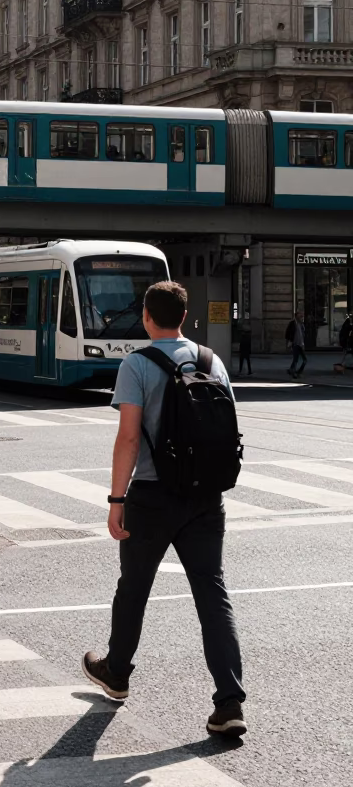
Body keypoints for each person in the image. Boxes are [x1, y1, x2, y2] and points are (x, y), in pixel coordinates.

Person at [82, 280, 247, 739]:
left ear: (148, 318)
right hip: (205, 498)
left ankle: (116, 673)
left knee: (134, 587)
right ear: (185, 316)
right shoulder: (213, 362)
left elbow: (129, 438)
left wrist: (116, 500)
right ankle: (229, 700)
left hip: (152, 497)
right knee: (212, 595)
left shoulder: (137, 363)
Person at [286, 310, 307, 378]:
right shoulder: (292, 323)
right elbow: (287, 333)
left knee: (304, 360)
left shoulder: (301, 324)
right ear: (296, 315)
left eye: (302, 314)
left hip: (301, 344)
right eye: (300, 314)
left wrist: (303, 344)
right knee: (296, 359)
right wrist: (289, 341)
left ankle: (293, 370)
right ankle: (294, 373)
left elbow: (302, 335)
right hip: (295, 344)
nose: (302, 316)